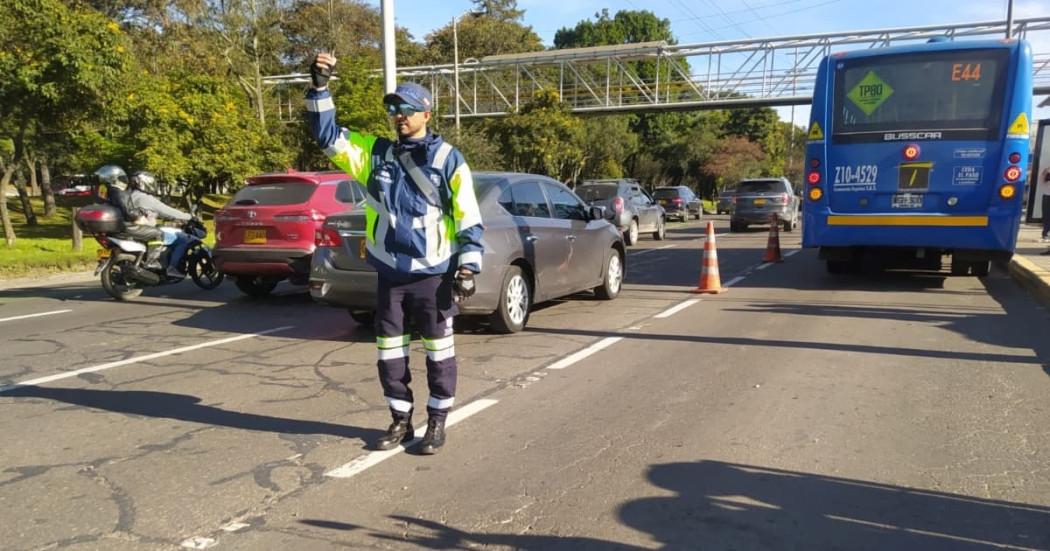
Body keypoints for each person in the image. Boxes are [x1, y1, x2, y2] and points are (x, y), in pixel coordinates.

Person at [305, 52, 484, 455]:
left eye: (406, 109)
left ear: (426, 114)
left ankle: (436, 421)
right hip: (390, 275)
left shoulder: (447, 159)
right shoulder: (375, 154)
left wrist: (469, 266)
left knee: (440, 353)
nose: (398, 116)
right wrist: (320, 88)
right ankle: (400, 419)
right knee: (390, 354)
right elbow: (328, 136)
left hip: (433, 275)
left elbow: (468, 216)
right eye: (393, 109)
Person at [126, 171, 194, 278]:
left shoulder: (128, 195)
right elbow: (166, 210)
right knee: (182, 240)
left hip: (130, 230)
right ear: (144, 183)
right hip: (145, 230)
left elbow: (155, 213)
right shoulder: (145, 198)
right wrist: (188, 217)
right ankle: (172, 268)